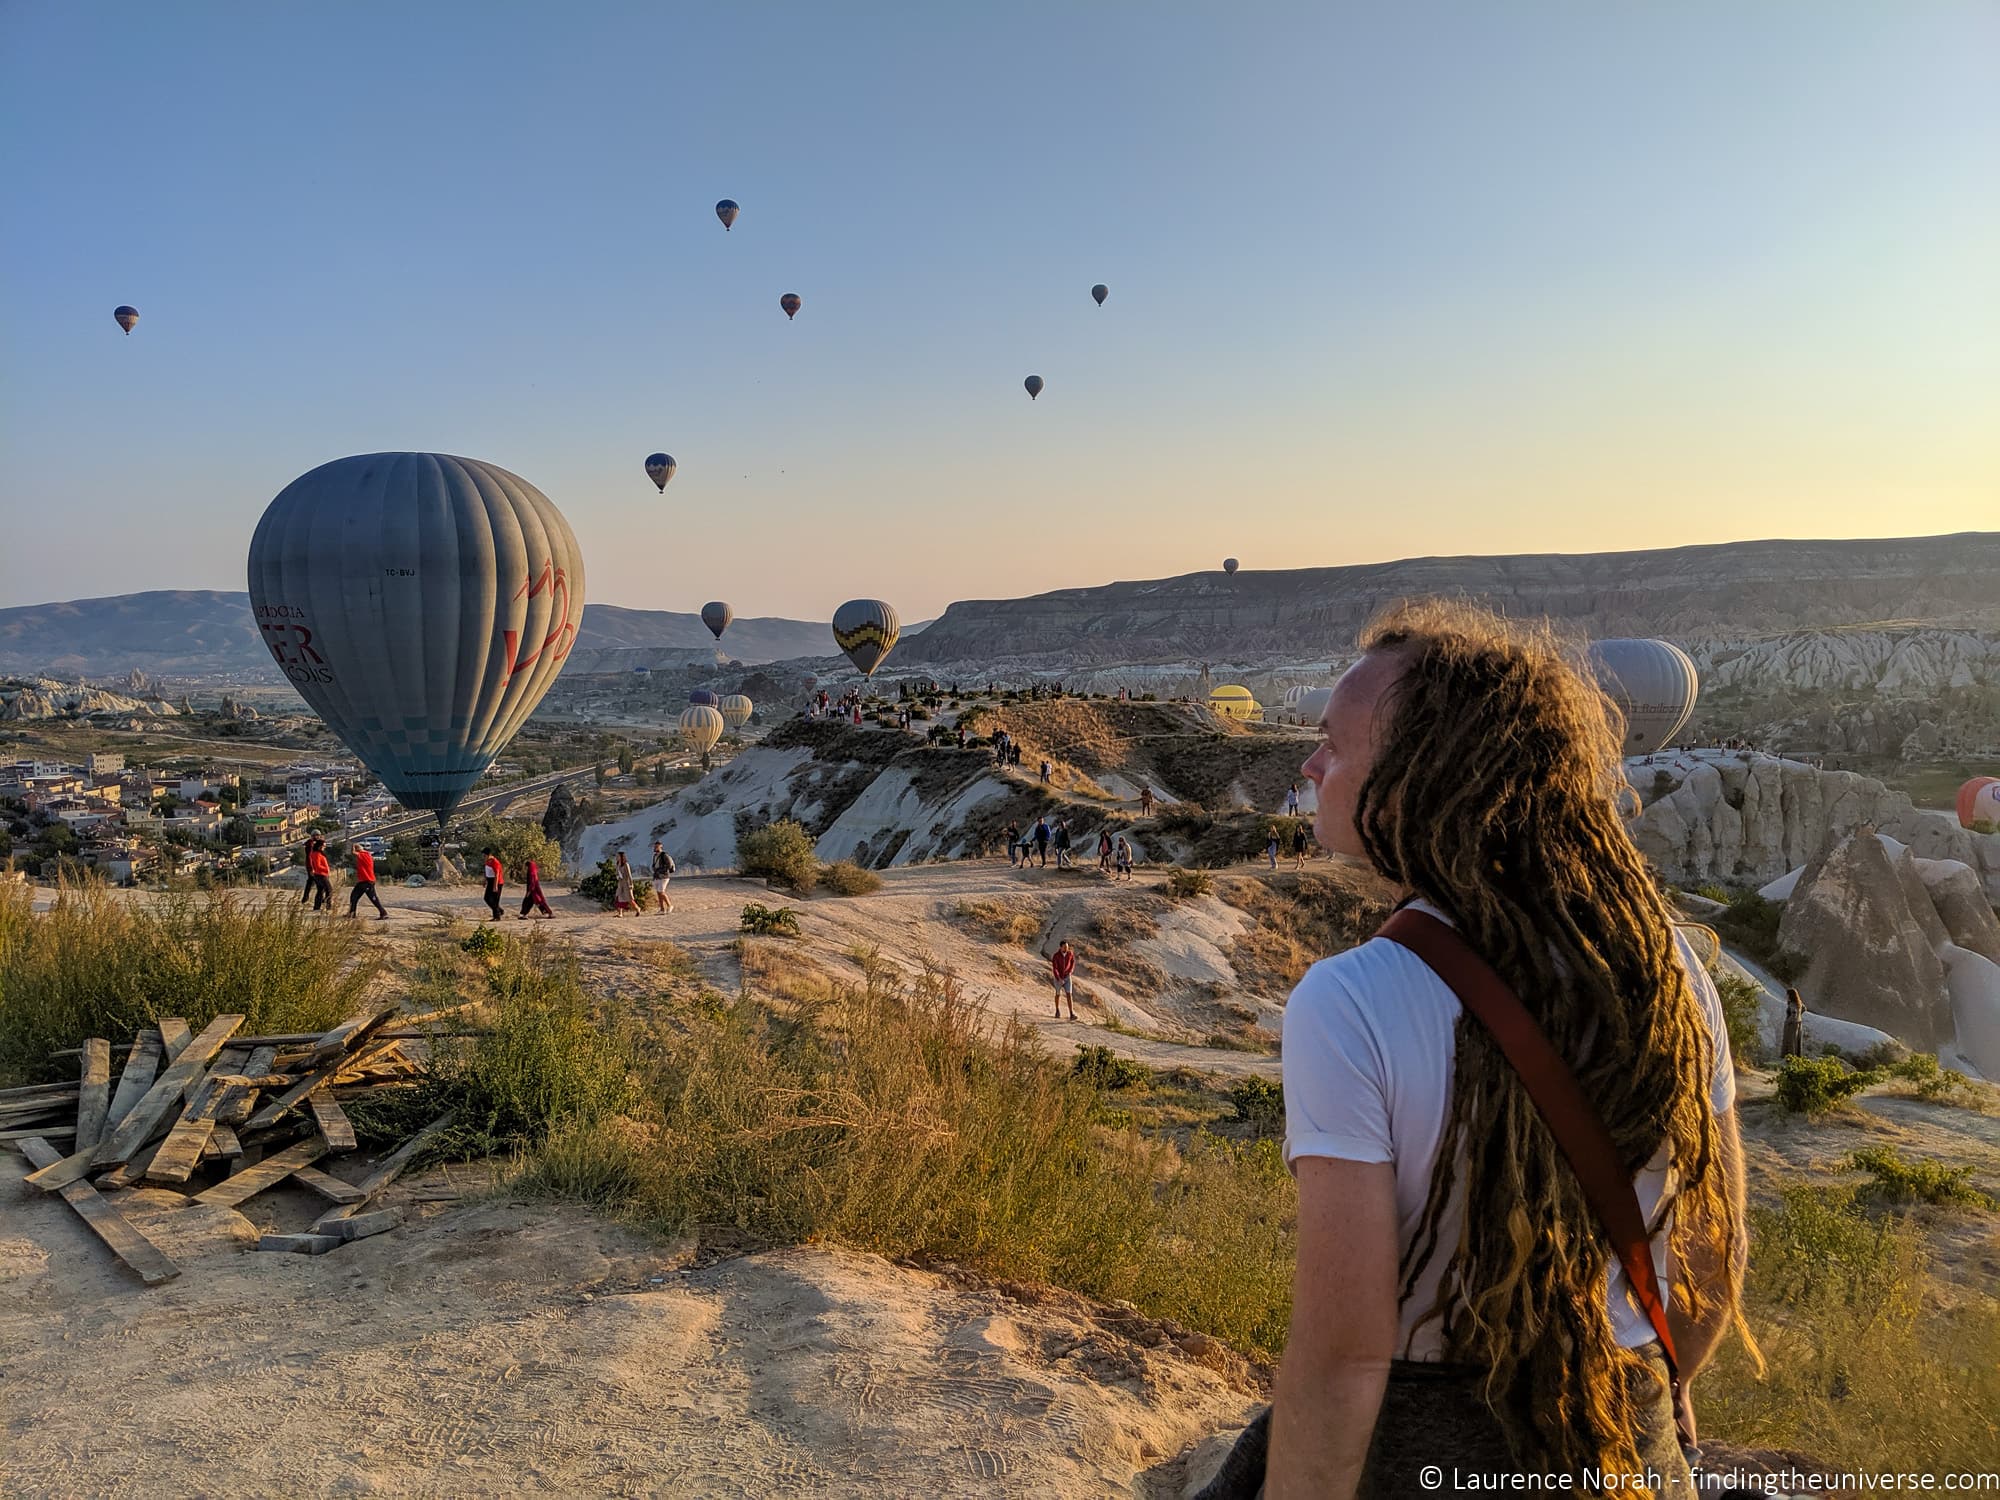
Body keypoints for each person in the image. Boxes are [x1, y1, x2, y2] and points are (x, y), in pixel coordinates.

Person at [1219, 600, 1750, 1500]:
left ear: (1420, 780)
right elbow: (1712, 1247)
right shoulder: (1666, 967)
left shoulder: (1350, 1001)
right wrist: (1670, 1391)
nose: (1309, 766)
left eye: (1335, 748)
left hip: (1433, 1440)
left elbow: (1344, 1360)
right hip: (1630, 1429)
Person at [346, 843, 386, 919]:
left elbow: (354, 853)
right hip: (365, 880)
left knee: (372, 898)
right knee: (354, 896)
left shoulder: (362, 855)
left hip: (366, 880)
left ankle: (383, 913)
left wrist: (353, 845)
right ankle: (352, 913)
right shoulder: (368, 854)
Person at [1049, 938, 1078, 1020]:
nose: (1066, 948)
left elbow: (1072, 962)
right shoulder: (1056, 956)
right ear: (1061, 947)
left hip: (1067, 977)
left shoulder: (1070, 953)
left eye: (1067, 947)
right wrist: (1058, 978)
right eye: (1065, 947)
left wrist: (1070, 971)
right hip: (1058, 978)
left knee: (1069, 994)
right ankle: (1057, 1010)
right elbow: (1055, 968)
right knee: (1058, 994)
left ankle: (1071, 1013)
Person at [304, 836, 334, 912]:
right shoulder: (317, 854)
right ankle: (328, 906)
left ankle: (317, 907)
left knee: (320, 891)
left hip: (319, 874)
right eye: (324, 846)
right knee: (329, 890)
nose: (324, 847)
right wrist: (326, 869)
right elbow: (317, 865)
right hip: (321, 874)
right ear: (320, 846)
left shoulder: (317, 853)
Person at [1781, 986, 1806, 1060]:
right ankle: (1795, 1057)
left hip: (1791, 1025)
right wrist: (1799, 1015)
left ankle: (1789, 1057)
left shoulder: (1792, 1004)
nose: (1786, 996)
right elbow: (1804, 1009)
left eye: (1787, 995)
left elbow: (1793, 1013)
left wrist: (1787, 1021)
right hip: (1798, 1023)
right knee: (1796, 1041)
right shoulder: (1799, 1003)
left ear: (1790, 995)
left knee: (1790, 1040)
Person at [651, 841, 675, 913]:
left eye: (656, 846)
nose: (655, 848)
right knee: (658, 893)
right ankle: (662, 909)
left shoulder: (664, 855)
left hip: (664, 876)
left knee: (661, 891)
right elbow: (654, 864)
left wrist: (662, 870)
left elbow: (669, 865)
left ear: (660, 846)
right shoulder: (655, 856)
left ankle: (669, 905)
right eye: (654, 846)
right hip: (657, 876)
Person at [481, 847, 504, 921]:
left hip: (497, 882)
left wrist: (495, 886)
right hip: (490, 881)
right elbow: (486, 871)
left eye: (484, 855)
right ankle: (499, 910)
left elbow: (497, 874)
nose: (483, 857)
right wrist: (485, 880)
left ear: (489, 855)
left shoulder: (495, 862)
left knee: (495, 900)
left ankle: (497, 916)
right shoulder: (487, 861)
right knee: (487, 898)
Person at [612, 850, 636, 915]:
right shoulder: (617, 864)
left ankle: (637, 908)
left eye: (618, 856)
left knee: (629, 898)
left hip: (626, 883)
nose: (616, 857)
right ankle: (620, 913)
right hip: (620, 883)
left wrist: (631, 884)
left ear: (621, 857)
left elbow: (629, 875)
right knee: (619, 897)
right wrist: (617, 876)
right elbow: (617, 873)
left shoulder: (626, 864)